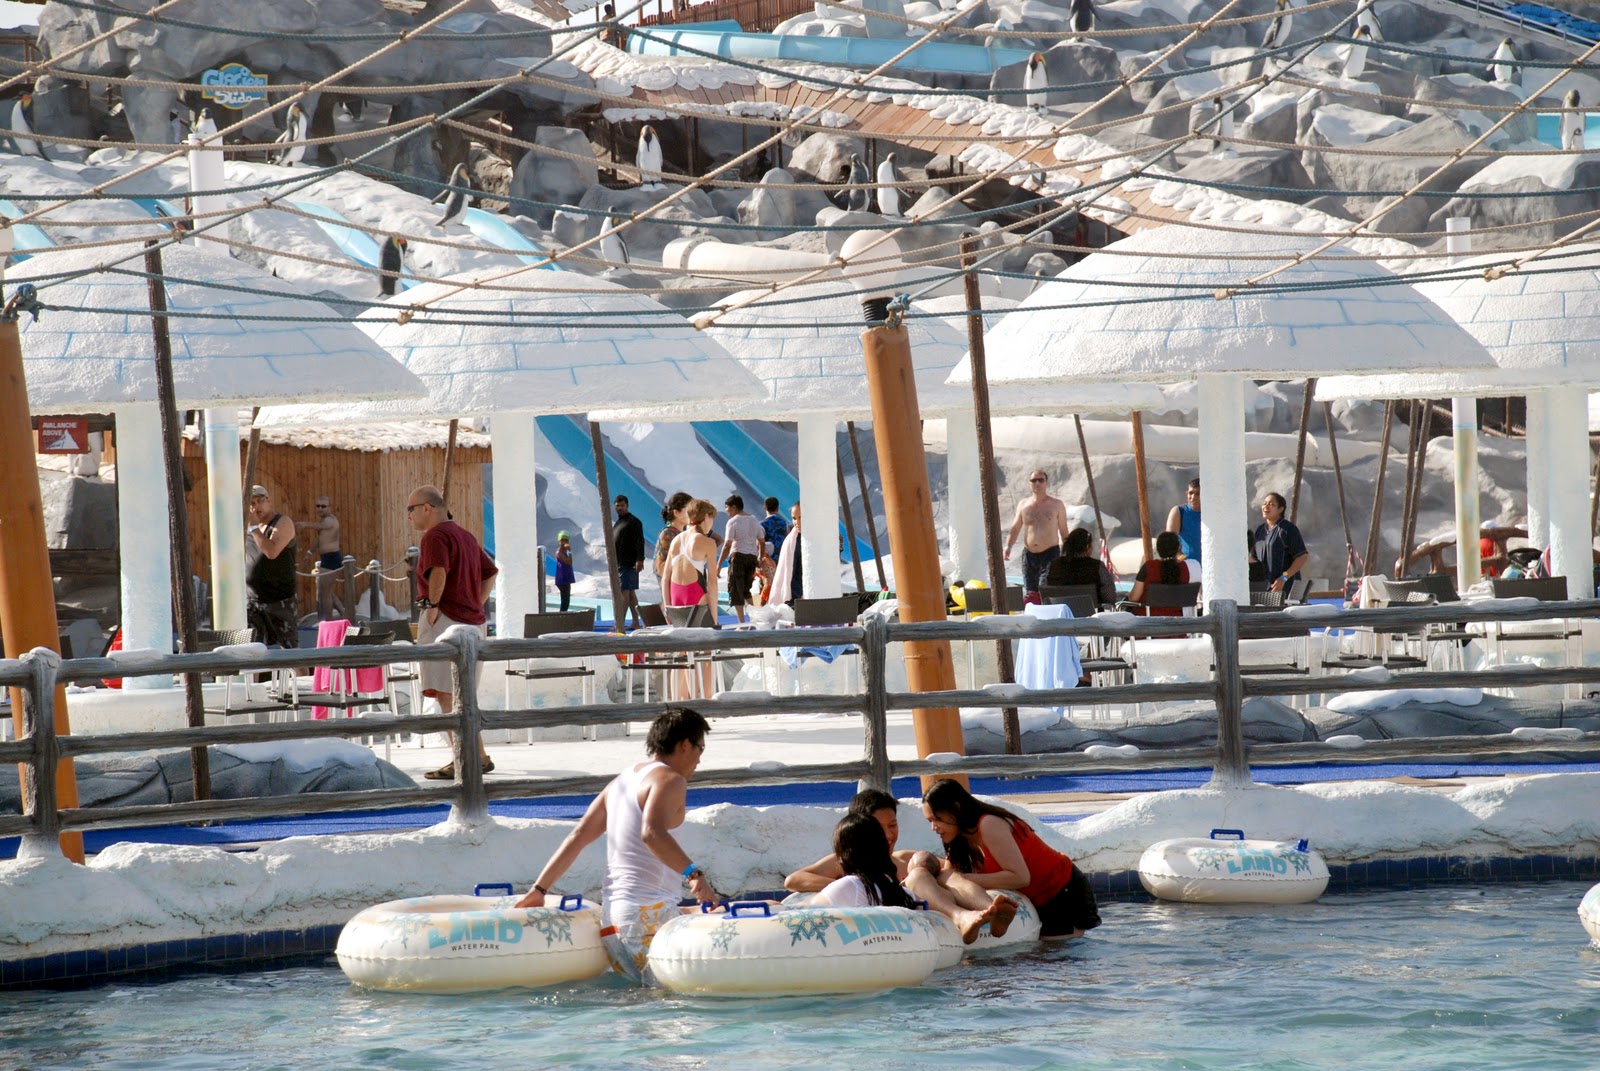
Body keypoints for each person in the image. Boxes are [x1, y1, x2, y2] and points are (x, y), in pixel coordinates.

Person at [515, 708, 719, 985]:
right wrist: (695, 875)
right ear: (685, 744)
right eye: (700, 748)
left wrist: (538, 890)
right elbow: (652, 833)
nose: (699, 760)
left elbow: (578, 836)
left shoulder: (622, 781)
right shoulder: (670, 780)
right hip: (647, 915)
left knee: (639, 1008)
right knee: (669, 1004)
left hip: (613, 919)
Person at [788, 790, 1017, 944]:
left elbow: (953, 873)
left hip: (928, 908)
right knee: (918, 873)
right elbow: (794, 880)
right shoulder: (848, 863)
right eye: (879, 828)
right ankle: (965, 916)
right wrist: (854, 885)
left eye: (893, 825)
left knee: (933, 871)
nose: (888, 835)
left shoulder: (904, 858)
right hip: (890, 928)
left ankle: (991, 910)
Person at [920, 778, 1100, 939]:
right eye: (930, 822)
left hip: (1063, 892)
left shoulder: (989, 824)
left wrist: (963, 879)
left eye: (938, 819)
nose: (934, 827)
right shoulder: (957, 840)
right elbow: (949, 876)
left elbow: (1020, 877)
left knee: (1053, 962)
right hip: (1037, 901)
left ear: (956, 809)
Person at [407, 484, 499, 781]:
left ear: (427, 508)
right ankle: (477, 756)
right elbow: (491, 572)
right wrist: (476, 602)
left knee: (448, 695)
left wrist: (433, 605)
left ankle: (467, 757)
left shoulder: (435, 535)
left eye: (411, 509)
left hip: (446, 620)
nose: (409, 516)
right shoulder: (465, 535)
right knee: (461, 696)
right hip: (473, 623)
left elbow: (439, 572)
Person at [245, 484, 299, 648]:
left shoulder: (282, 523)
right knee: (251, 651)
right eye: (252, 504)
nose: (256, 508)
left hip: (279, 600)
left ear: (269, 501)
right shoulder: (251, 529)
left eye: (260, 501)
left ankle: (302, 675)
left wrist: (254, 528)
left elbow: (272, 551)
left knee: (290, 651)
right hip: (253, 601)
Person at [1004, 469, 1072, 596]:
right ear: (1029, 483)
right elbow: (1015, 528)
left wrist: (1070, 552)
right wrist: (1008, 546)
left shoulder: (1056, 504)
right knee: (1031, 593)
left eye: (1041, 480)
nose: (1037, 483)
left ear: (1046, 483)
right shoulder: (1023, 504)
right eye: (1034, 480)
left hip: (1050, 553)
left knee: (1045, 590)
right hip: (1029, 555)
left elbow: (1063, 530)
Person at [665, 498, 719, 621]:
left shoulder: (676, 540)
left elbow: (665, 578)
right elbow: (712, 583)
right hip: (695, 594)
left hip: (675, 596)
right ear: (706, 517)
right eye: (712, 519)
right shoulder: (708, 543)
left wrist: (668, 609)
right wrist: (715, 619)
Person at [718, 495, 765, 624]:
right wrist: (760, 557)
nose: (726, 511)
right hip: (752, 557)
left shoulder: (733, 522)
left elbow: (727, 545)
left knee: (736, 591)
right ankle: (755, 620)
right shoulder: (754, 520)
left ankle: (742, 623)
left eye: (727, 508)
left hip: (738, 556)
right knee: (746, 590)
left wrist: (718, 565)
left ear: (734, 507)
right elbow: (761, 541)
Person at [1044, 527, 1117, 609]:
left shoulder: (1052, 566)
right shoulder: (1098, 567)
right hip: (1091, 618)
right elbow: (1110, 598)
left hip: (1060, 617)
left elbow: (1045, 593)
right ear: (1087, 547)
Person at [297, 494, 343, 620]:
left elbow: (321, 527)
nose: (320, 509)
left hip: (332, 557)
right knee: (326, 590)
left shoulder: (330, 520)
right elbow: (319, 539)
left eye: (323, 506)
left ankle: (328, 621)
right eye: (318, 506)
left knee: (325, 593)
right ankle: (344, 614)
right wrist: (309, 553)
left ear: (330, 507)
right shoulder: (323, 521)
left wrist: (305, 524)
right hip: (327, 557)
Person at [1253, 492, 1310, 594]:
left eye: (1271, 504)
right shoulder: (1260, 531)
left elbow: (1302, 557)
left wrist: (1283, 578)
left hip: (1288, 590)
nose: (1266, 507)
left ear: (1280, 509)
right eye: (1264, 503)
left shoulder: (1287, 529)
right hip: (1266, 591)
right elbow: (1253, 558)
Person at [1127, 531, 1190, 616]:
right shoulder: (1186, 568)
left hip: (1147, 621)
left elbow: (1134, 598)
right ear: (1178, 547)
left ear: (1158, 548)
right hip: (1176, 621)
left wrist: (1126, 596)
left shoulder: (1149, 567)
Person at [612, 495, 645, 629]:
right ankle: (636, 622)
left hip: (629, 563)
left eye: (622, 505)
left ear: (627, 506)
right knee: (630, 594)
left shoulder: (634, 522)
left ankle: (620, 623)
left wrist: (639, 559)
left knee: (623, 593)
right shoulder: (618, 523)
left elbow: (640, 541)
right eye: (617, 506)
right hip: (620, 563)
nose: (619, 508)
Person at [652, 491, 693, 587]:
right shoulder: (668, 534)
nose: (692, 514)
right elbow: (660, 568)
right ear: (676, 513)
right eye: (689, 510)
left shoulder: (682, 533)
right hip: (673, 590)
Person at [1165, 478, 1202, 564]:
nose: (1193, 497)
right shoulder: (1179, 512)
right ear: (1186, 494)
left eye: (1198, 494)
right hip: (1188, 568)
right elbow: (1170, 545)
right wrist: (1182, 559)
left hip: (1210, 569)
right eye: (1191, 493)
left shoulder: (1212, 514)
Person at [554, 531, 575, 613]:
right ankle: (562, 613)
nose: (564, 543)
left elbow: (570, 562)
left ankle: (564, 612)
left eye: (566, 541)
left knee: (567, 597)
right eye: (562, 540)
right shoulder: (559, 552)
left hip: (566, 577)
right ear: (559, 541)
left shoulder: (565, 552)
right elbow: (568, 562)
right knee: (564, 598)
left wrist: (568, 552)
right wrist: (569, 551)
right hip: (562, 578)